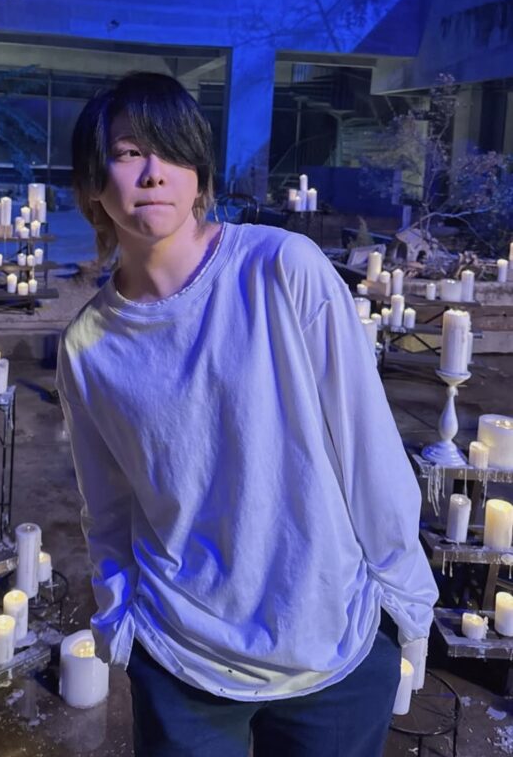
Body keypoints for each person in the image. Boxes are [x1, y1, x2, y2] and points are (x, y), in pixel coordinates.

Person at [56, 71, 437, 757]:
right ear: (92, 186)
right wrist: (120, 620)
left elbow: (368, 447)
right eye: (128, 152)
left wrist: (404, 605)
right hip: (180, 654)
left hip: (332, 638)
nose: (153, 173)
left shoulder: (282, 268)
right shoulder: (89, 346)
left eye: (172, 151)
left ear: (200, 175)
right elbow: (105, 504)